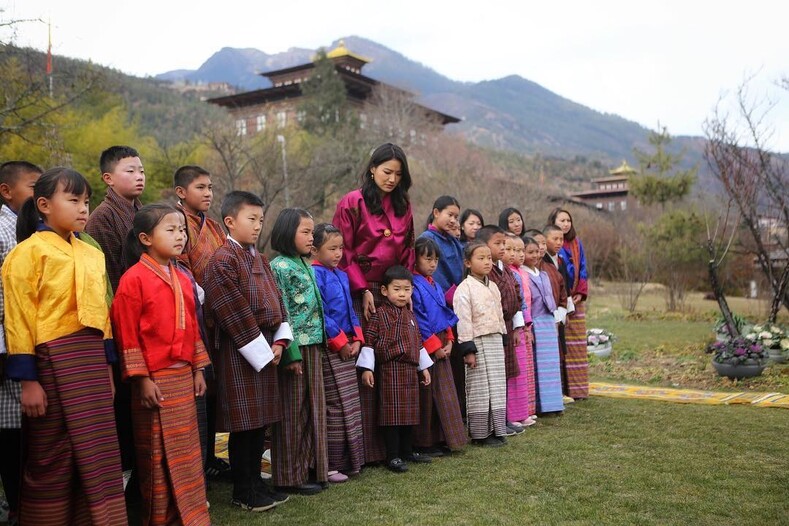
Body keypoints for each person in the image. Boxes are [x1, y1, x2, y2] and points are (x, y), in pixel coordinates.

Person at [3, 167, 126, 525]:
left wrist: (108, 369)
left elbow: (100, 314)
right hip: (53, 363)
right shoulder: (28, 253)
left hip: (90, 361)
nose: (83, 209)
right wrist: (28, 380)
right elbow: (18, 318)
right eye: (73, 200)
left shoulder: (91, 254)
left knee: (98, 450)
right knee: (52, 452)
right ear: (43, 204)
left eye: (86, 201)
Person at [111, 204, 210, 525]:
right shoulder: (132, 280)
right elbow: (126, 334)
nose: (180, 235)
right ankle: (161, 517)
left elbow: (193, 327)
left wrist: (198, 368)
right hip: (153, 381)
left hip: (183, 378)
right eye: (171, 230)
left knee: (187, 452)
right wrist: (140, 380)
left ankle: (192, 515)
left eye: (182, 229)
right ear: (145, 238)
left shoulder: (182, 278)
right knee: (156, 454)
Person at [203, 191, 292, 512]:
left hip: (268, 347)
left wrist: (280, 342)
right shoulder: (222, 261)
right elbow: (233, 313)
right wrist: (265, 350)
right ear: (230, 221)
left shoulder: (260, 259)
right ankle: (243, 490)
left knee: (261, 421)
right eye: (251, 219)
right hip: (241, 351)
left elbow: (278, 304)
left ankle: (256, 483)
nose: (257, 226)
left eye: (261, 220)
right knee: (245, 424)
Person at [333, 143, 415, 464]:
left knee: (395, 367)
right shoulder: (351, 203)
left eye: (398, 173)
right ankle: (367, 449)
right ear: (372, 169)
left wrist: (403, 291)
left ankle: (398, 446)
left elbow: (407, 249)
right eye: (386, 171)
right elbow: (343, 251)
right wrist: (363, 288)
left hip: (392, 291)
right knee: (367, 363)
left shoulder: (403, 205)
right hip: (360, 293)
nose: (392, 179)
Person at [86, 145, 145, 494]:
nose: (139, 176)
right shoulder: (103, 218)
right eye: (130, 170)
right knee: (125, 404)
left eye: (141, 170)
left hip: (148, 316)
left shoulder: (140, 213)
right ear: (108, 178)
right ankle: (127, 480)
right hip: (123, 320)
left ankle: (141, 474)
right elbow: (110, 278)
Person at [172, 165, 229, 481]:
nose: (208, 193)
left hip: (220, 316)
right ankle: (200, 459)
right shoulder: (177, 225)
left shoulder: (216, 227)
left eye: (210, 187)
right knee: (200, 390)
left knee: (216, 390)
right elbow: (180, 270)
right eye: (200, 187)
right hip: (194, 317)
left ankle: (210, 457)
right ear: (181, 192)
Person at [269, 208, 328, 494]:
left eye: (312, 231)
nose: (311, 237)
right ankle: (288, 477)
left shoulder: (302, 263)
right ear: (286, 232)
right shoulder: (280, 266)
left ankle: (306, 470)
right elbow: (283, 313)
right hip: (296, 348)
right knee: (293, 411)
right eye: (305, 231)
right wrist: (290, 354)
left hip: (313, 345)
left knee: (309, 409)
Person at [357, 266, 432, 473]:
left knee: (409, 414)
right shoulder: (379, 314)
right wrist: (367, 369)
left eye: (407, 290)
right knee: (392, 414)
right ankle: (392, 456)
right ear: (384, 291)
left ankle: (407, 451)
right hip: (390, 369)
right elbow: (369, 341)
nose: (402, 294)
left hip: (410, 370)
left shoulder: (409, 315)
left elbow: (417, 342)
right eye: (397, 289)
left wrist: (423, 368)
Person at [0, 161, 42, 524]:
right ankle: (16, 502)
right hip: (9, 343)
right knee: (11, 427)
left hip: (30, 343)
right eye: (33, 187)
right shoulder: (3, 231)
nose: (39, 195)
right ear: (6, 190)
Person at [311, 223, 365, 481]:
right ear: (315, 249)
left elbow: (351, 310)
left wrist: (357, 338)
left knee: (351, 406)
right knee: (334, 407)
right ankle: (331, 463)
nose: (338, 254)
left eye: (340, 248)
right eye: (331, 248)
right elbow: (321, 313)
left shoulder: (342, 275)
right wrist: (340, 342)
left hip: (349, 347)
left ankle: (350, 460)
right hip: (331, 349)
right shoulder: (315, 274)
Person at [410, 238, 467, 456]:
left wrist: (451, 339)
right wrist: (434, 346)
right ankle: (425, 442)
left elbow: (445, 312)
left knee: (445, 393)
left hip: (444, 340)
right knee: (428, 394)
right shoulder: (414, 285)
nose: (433, 264)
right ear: (415, 259)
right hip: (428, 345)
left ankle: (444, 437)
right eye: (427, 259)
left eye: (435, 260)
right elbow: (421, 320)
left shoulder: (436, 284)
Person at [453, 242, 508, 447]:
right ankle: (480, 434)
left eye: (489, 258)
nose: (487, 262)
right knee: (479, 388)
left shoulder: (493, 286)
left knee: (497, 387)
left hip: (494, 340)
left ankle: (496, 429)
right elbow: (463, 321)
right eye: (481, 258)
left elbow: (500, 315)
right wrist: (468, 350)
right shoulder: (464, 289)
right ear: (468, 263)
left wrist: (502, 335)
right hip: (477, 342)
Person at [476, 225, 525, 435]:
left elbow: (516, 293)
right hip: (493, 327)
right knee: (493, 376)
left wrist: (514, 326)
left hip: (508, 324)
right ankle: (494, 421)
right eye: (498, 244)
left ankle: (503, 418)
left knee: (503, 375)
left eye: (504, 243)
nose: (503, 248)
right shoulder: (487, 272)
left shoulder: (503, 268)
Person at [549, 208, 589, 400]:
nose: (566, 224)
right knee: (561, 344)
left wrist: (580, 292)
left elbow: (583, 267)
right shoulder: (551, 246)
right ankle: (564, 389)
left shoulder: (576, 243)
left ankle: (579, 389)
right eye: (561, 220)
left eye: (568, 220)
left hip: (577, 300)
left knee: (578, 345)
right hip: (560, 301)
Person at [522, 236, 565, 414]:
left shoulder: (544, 274)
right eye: (529, 252)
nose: (534, 255)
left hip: (548, 321)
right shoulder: (523, 275)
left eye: (536, 251)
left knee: (551, 365)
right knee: (539, 364)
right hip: (536, 321)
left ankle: (554, 403)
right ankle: (541, 405)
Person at [505, 233, 537, 428]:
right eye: (509, 249)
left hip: (524, 325)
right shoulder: (507, 273)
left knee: (523, 371)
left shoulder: (519, 272)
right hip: (515, 326)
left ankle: (523, 411)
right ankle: (513, 414)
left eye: (518, 250)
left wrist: (527, 323)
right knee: (514, 373)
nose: (515, 254)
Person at [542, 225, 571, 397]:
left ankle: (560, 391)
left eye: (561, 239)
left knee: (560, 349)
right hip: (547, 313)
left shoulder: (560, 260)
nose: (559, 242)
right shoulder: (542, 261)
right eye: (555, 239)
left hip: (560, 309)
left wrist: (564, 309)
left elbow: (564, 286)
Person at [418, 195, 464, 302]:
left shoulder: (452, 239)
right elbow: (435, 275)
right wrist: (447, 296)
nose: (453, 220)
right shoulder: (427, 239)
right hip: (440, 298)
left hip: (458, 297)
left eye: (456, 217)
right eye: (450, 215)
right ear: (436, 213)